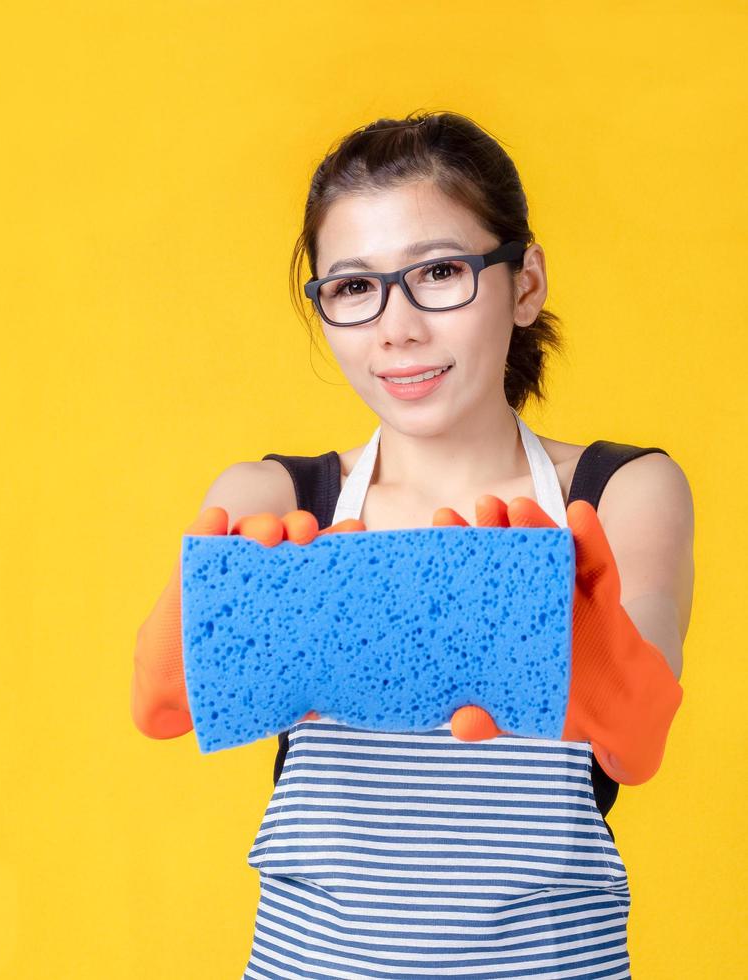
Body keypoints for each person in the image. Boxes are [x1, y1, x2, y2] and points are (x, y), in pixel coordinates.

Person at [131, 111, 694, 979]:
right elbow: (162, 703)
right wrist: (186, 653)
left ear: (524, 282)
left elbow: (638, 736)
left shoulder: (617, 492)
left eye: (438, 272)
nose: (396, 328)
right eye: (354, 288)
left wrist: (580, 648)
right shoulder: (276, 503)